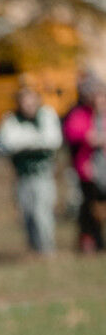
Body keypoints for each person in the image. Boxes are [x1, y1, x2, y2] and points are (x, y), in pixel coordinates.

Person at [0, 88, 62, 255]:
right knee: (27, 212)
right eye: (24, 103)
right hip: (22, 175)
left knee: (43, 212)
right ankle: (34, 249)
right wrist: (35, 139)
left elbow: (53, 141)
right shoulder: (11, 119)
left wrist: (23, 141)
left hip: (43, 173)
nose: (28, 106)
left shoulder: (47, 115)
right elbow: (5, 144)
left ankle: (47, 249)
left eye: (31, 102)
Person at [62, 79, 106, 252]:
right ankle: (91, 240)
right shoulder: (80, 113)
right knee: (90, 208)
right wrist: (91, 137)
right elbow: (73, 132)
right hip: (89, 168)